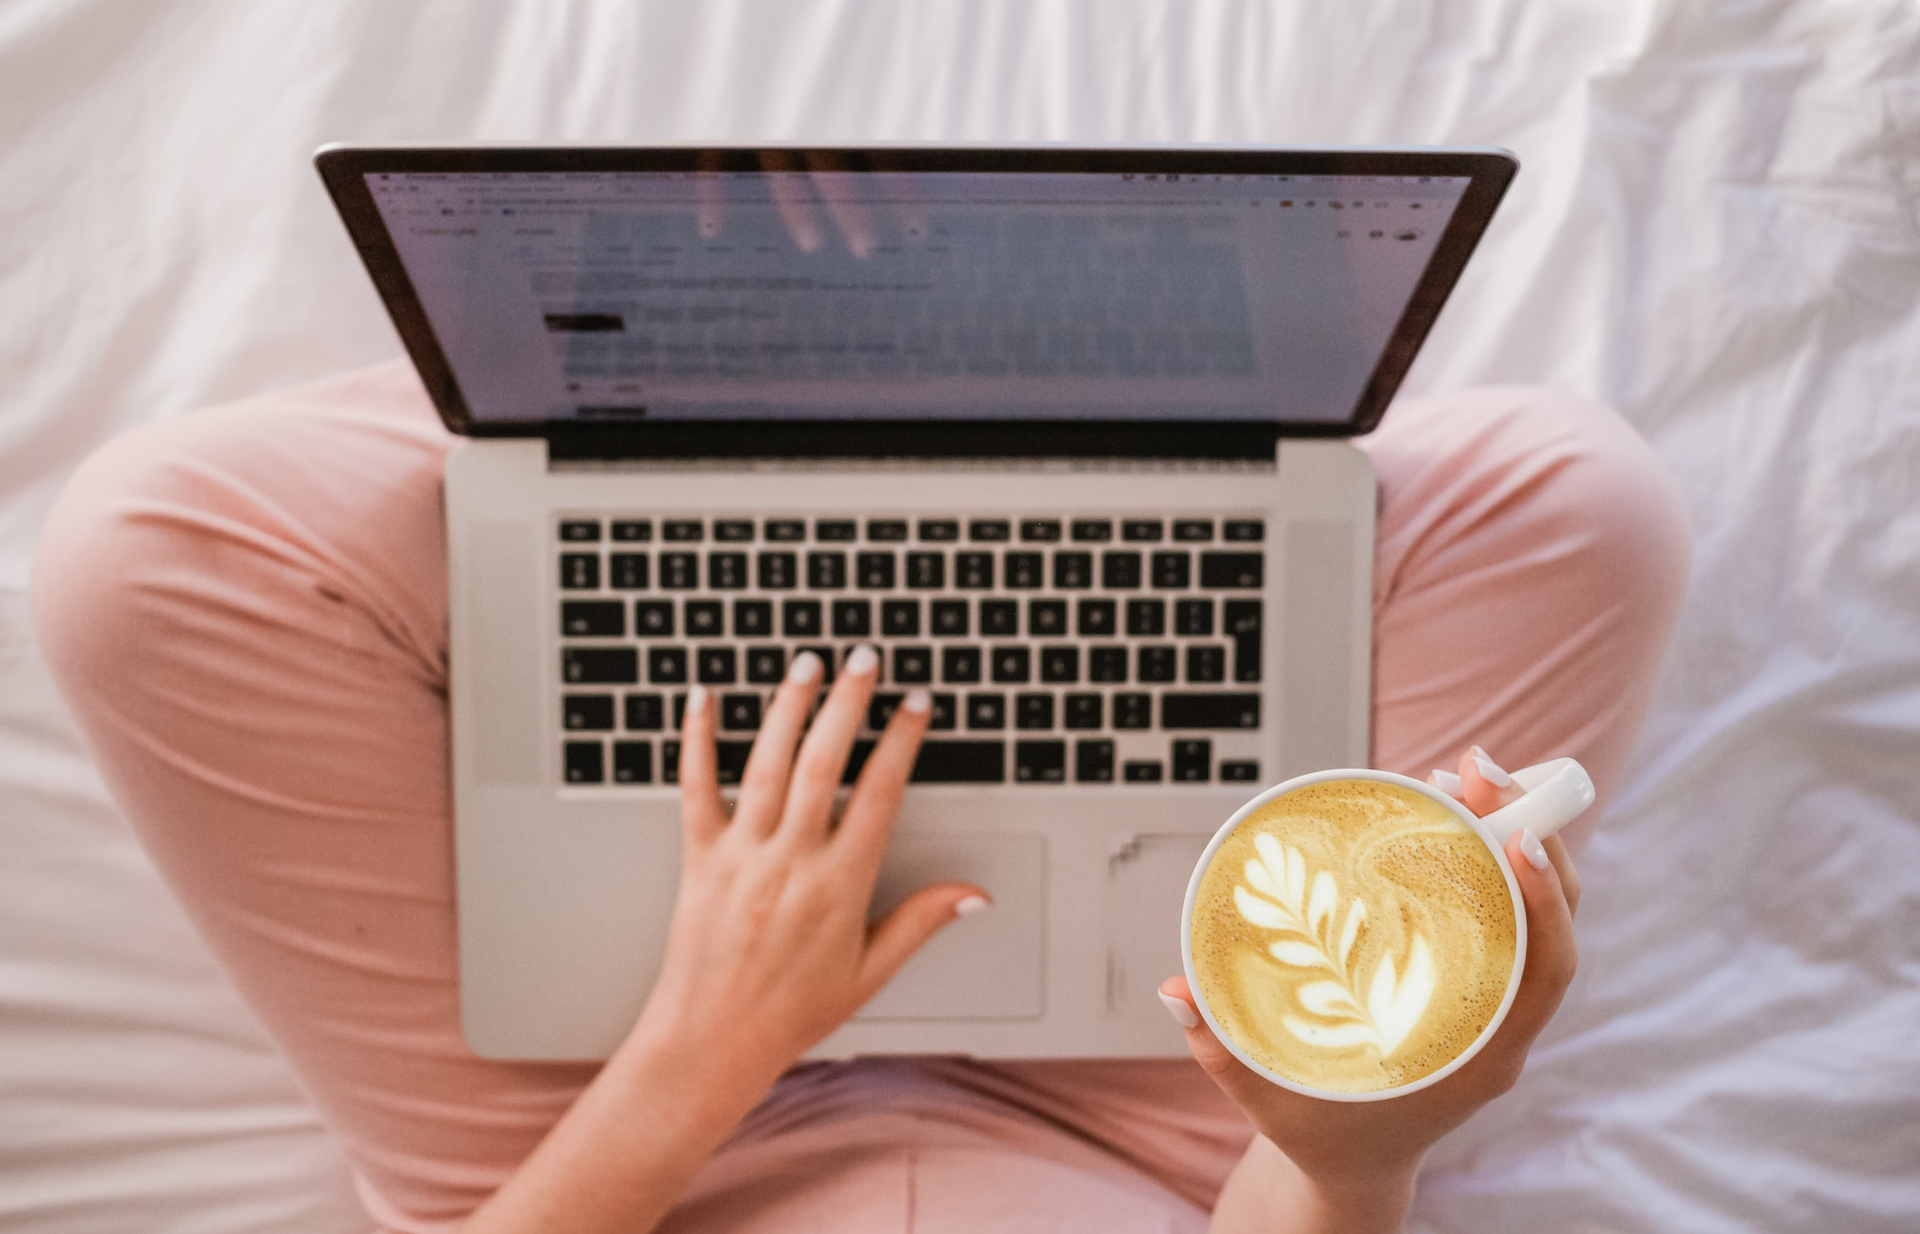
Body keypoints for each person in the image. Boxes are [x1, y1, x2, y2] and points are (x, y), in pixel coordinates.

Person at [28, 358, 1690, 1233]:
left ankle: (688, 387)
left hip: (609, 1144)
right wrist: (1354, 1154)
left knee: (147, 551)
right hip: (1181, 1158)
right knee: (1580, 501)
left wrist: (699, 1048)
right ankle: (1027, 395)